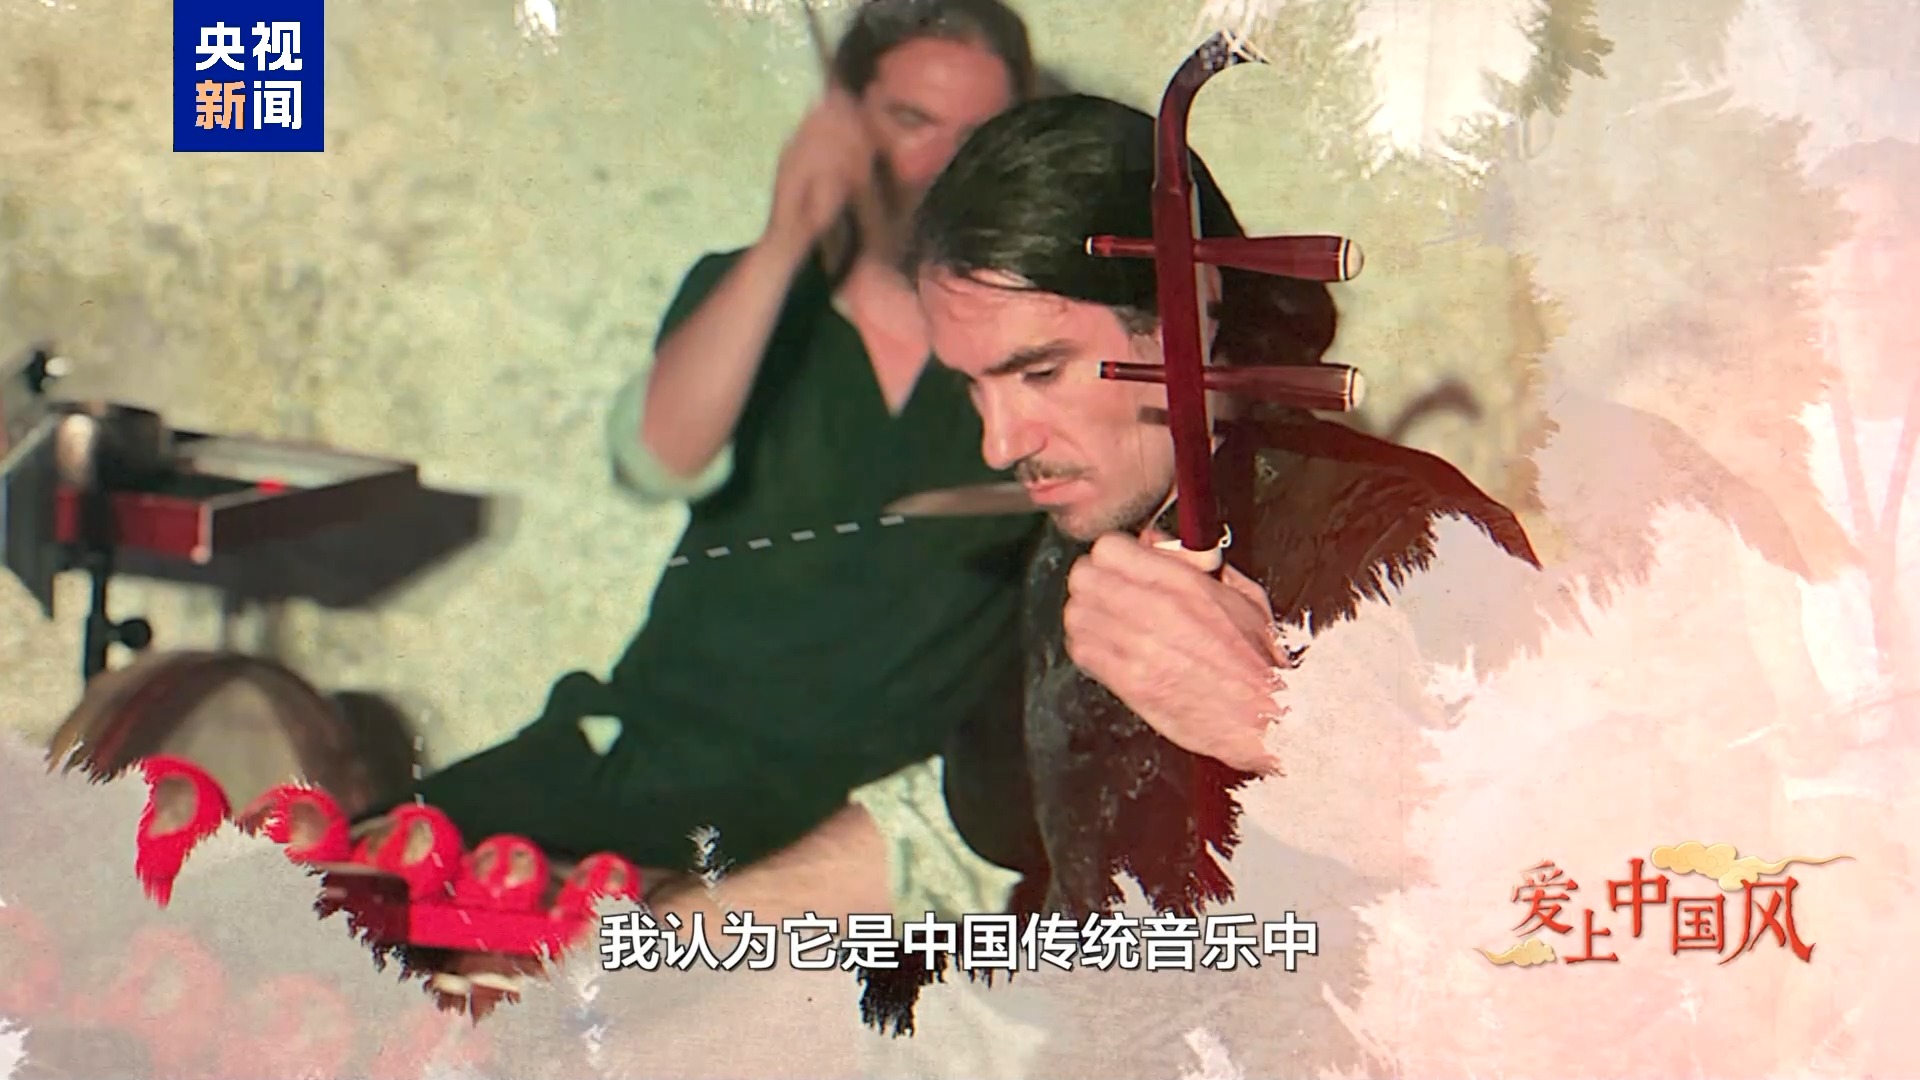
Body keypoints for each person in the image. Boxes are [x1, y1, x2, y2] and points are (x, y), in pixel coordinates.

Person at [646, 92, 1540, 1035]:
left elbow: (1576, 900)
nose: (999, 443)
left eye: (1039, 372)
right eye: (974, 386)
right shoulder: (1070, 546)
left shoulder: (1417, 539)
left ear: (1188, 314)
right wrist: (687, 929)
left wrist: (1283, 725)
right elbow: (961, 836)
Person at [359, 0, 1043, 898]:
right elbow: (655, 460)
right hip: (646, 756)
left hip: (835, 824)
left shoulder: (1034, 358)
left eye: (978, 137)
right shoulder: (754, 295)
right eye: (912, 121)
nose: (943, 168)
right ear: (842, 123)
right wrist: (787, 238)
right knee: (335, 881)